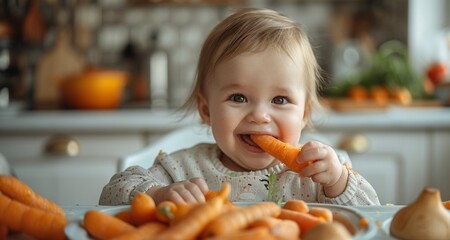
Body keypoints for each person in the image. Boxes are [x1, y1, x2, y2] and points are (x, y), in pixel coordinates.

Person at [100, 8, 380, 206]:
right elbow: (111, 194)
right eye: (238, 98)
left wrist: (339, 182)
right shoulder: (182, 169)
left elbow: (374, 214)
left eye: (280, 100)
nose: (259, 115)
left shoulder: (314, 175)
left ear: (304, 113)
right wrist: (157, 194)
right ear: (207, 110)